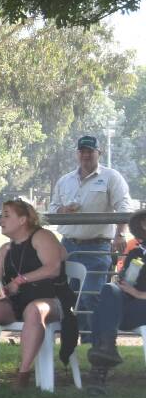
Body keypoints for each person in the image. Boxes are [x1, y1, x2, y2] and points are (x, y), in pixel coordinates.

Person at [0, 200, 63, 391]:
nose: (0, 220)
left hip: (49, 299)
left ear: (23, 219)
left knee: (34, 310)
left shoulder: (42, 236)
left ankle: (23, 375)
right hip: (16, 302)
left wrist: (19, 281)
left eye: (6, 215)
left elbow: (53, 268)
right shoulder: (5, 249)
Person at [49, 135, 132, 339]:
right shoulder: (65, 180)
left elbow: (124, 207)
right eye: (82, 151)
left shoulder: (111, 177)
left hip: (97, 248)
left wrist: (120, 234)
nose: (86, 155)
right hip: (67, 247)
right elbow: (51, 210)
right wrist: (63, 210)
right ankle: (80, 342)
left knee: (90, 297)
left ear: (98, 153)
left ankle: (94, 343)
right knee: (70, 298)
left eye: (90, 151)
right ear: (77, 153)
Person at [84, 208, 146, 393]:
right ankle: (106, 347)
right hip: (130, 310)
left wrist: (137, 293)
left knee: (103, 314)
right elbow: (127, 284)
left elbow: (134, 291)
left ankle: (99, 372)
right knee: (109, 290)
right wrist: (122, 284)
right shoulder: (136, 253)